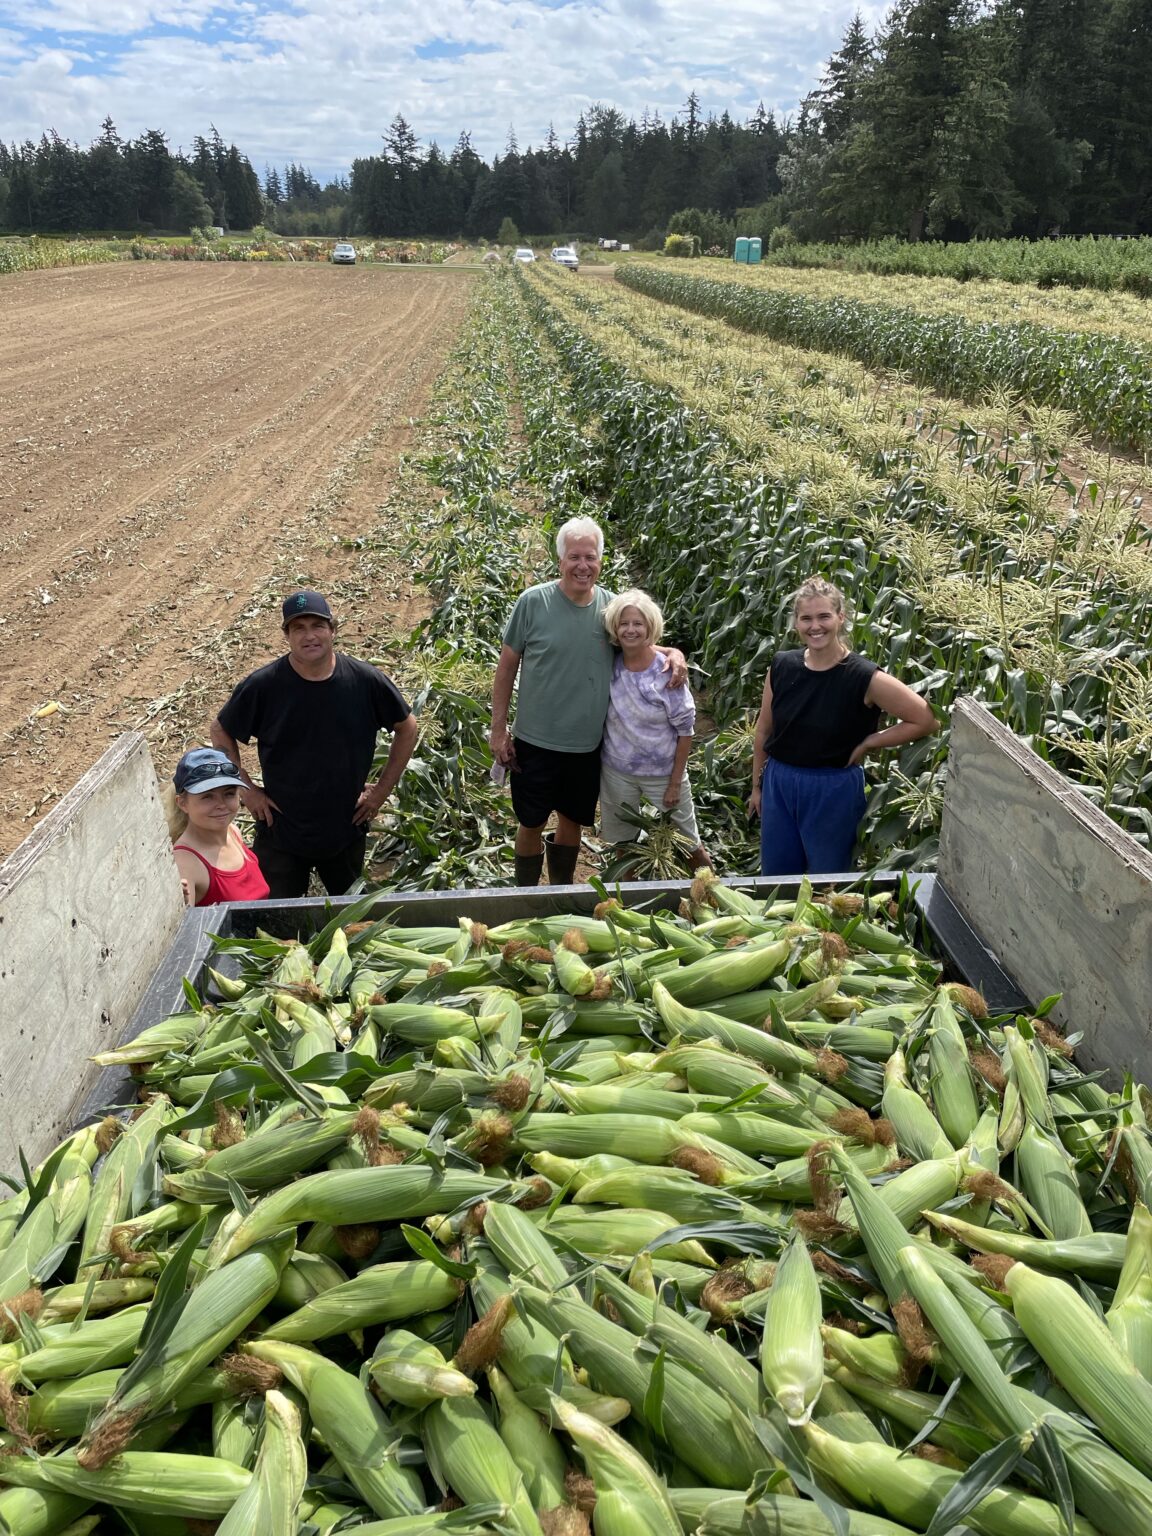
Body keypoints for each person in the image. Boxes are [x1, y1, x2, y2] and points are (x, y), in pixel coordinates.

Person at [489, 517, 686, 887]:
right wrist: (498, 730)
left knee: (572, 820)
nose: (583, 566)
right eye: (575, 557)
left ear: (601, 560)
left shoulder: (611, 608)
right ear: (560, 560)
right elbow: (506, 668)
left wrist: (671, 652)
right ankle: (525, 896)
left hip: (587, 745)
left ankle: (560, 893)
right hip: (535, 740)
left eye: (591, 557)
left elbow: (637, 642)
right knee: (530, 821)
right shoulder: (533, 603)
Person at [210, 590, 418, 899]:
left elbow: (408, 728)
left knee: (348, 920)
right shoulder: (265, 686)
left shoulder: (364, 681)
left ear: (333, 630)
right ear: (287, 635)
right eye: (299, 628)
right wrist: (247, 789)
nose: (310, 636)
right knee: (276, 925)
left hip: (345, 827)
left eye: (317, 626)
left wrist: (381, 791)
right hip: (281, 828)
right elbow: (220, 729)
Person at [748, 577, 937, 876]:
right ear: (796, 623)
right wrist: (757, 787)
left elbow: (925, 719)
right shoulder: (782, 666)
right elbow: (764, 730)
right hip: (779, 782)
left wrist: (869, 742)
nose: (815, 626)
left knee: (828, 881)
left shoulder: (863, 677)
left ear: (841, 617)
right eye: (806, 618)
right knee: (777, 878)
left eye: (824, 616)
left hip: (832, 787)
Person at [599, 590, 710, 869]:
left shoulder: (667, 673)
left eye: (638, 623)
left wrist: (674, 783)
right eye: (624, 624)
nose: (630, 630)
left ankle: (712, 891)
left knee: (689, 841)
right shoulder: (610, 663)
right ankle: (626, 896)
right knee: (624, 843)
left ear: (651, 627)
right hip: (617, 771)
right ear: (614, 627)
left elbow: (685, 732)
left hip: (662, 772)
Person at [170, 747, 271, 907]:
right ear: (182, 803)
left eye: (229, 794)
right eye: (207, 797)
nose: (221, 805)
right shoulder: (185, 863)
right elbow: (183, 924)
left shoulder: (233, 832)